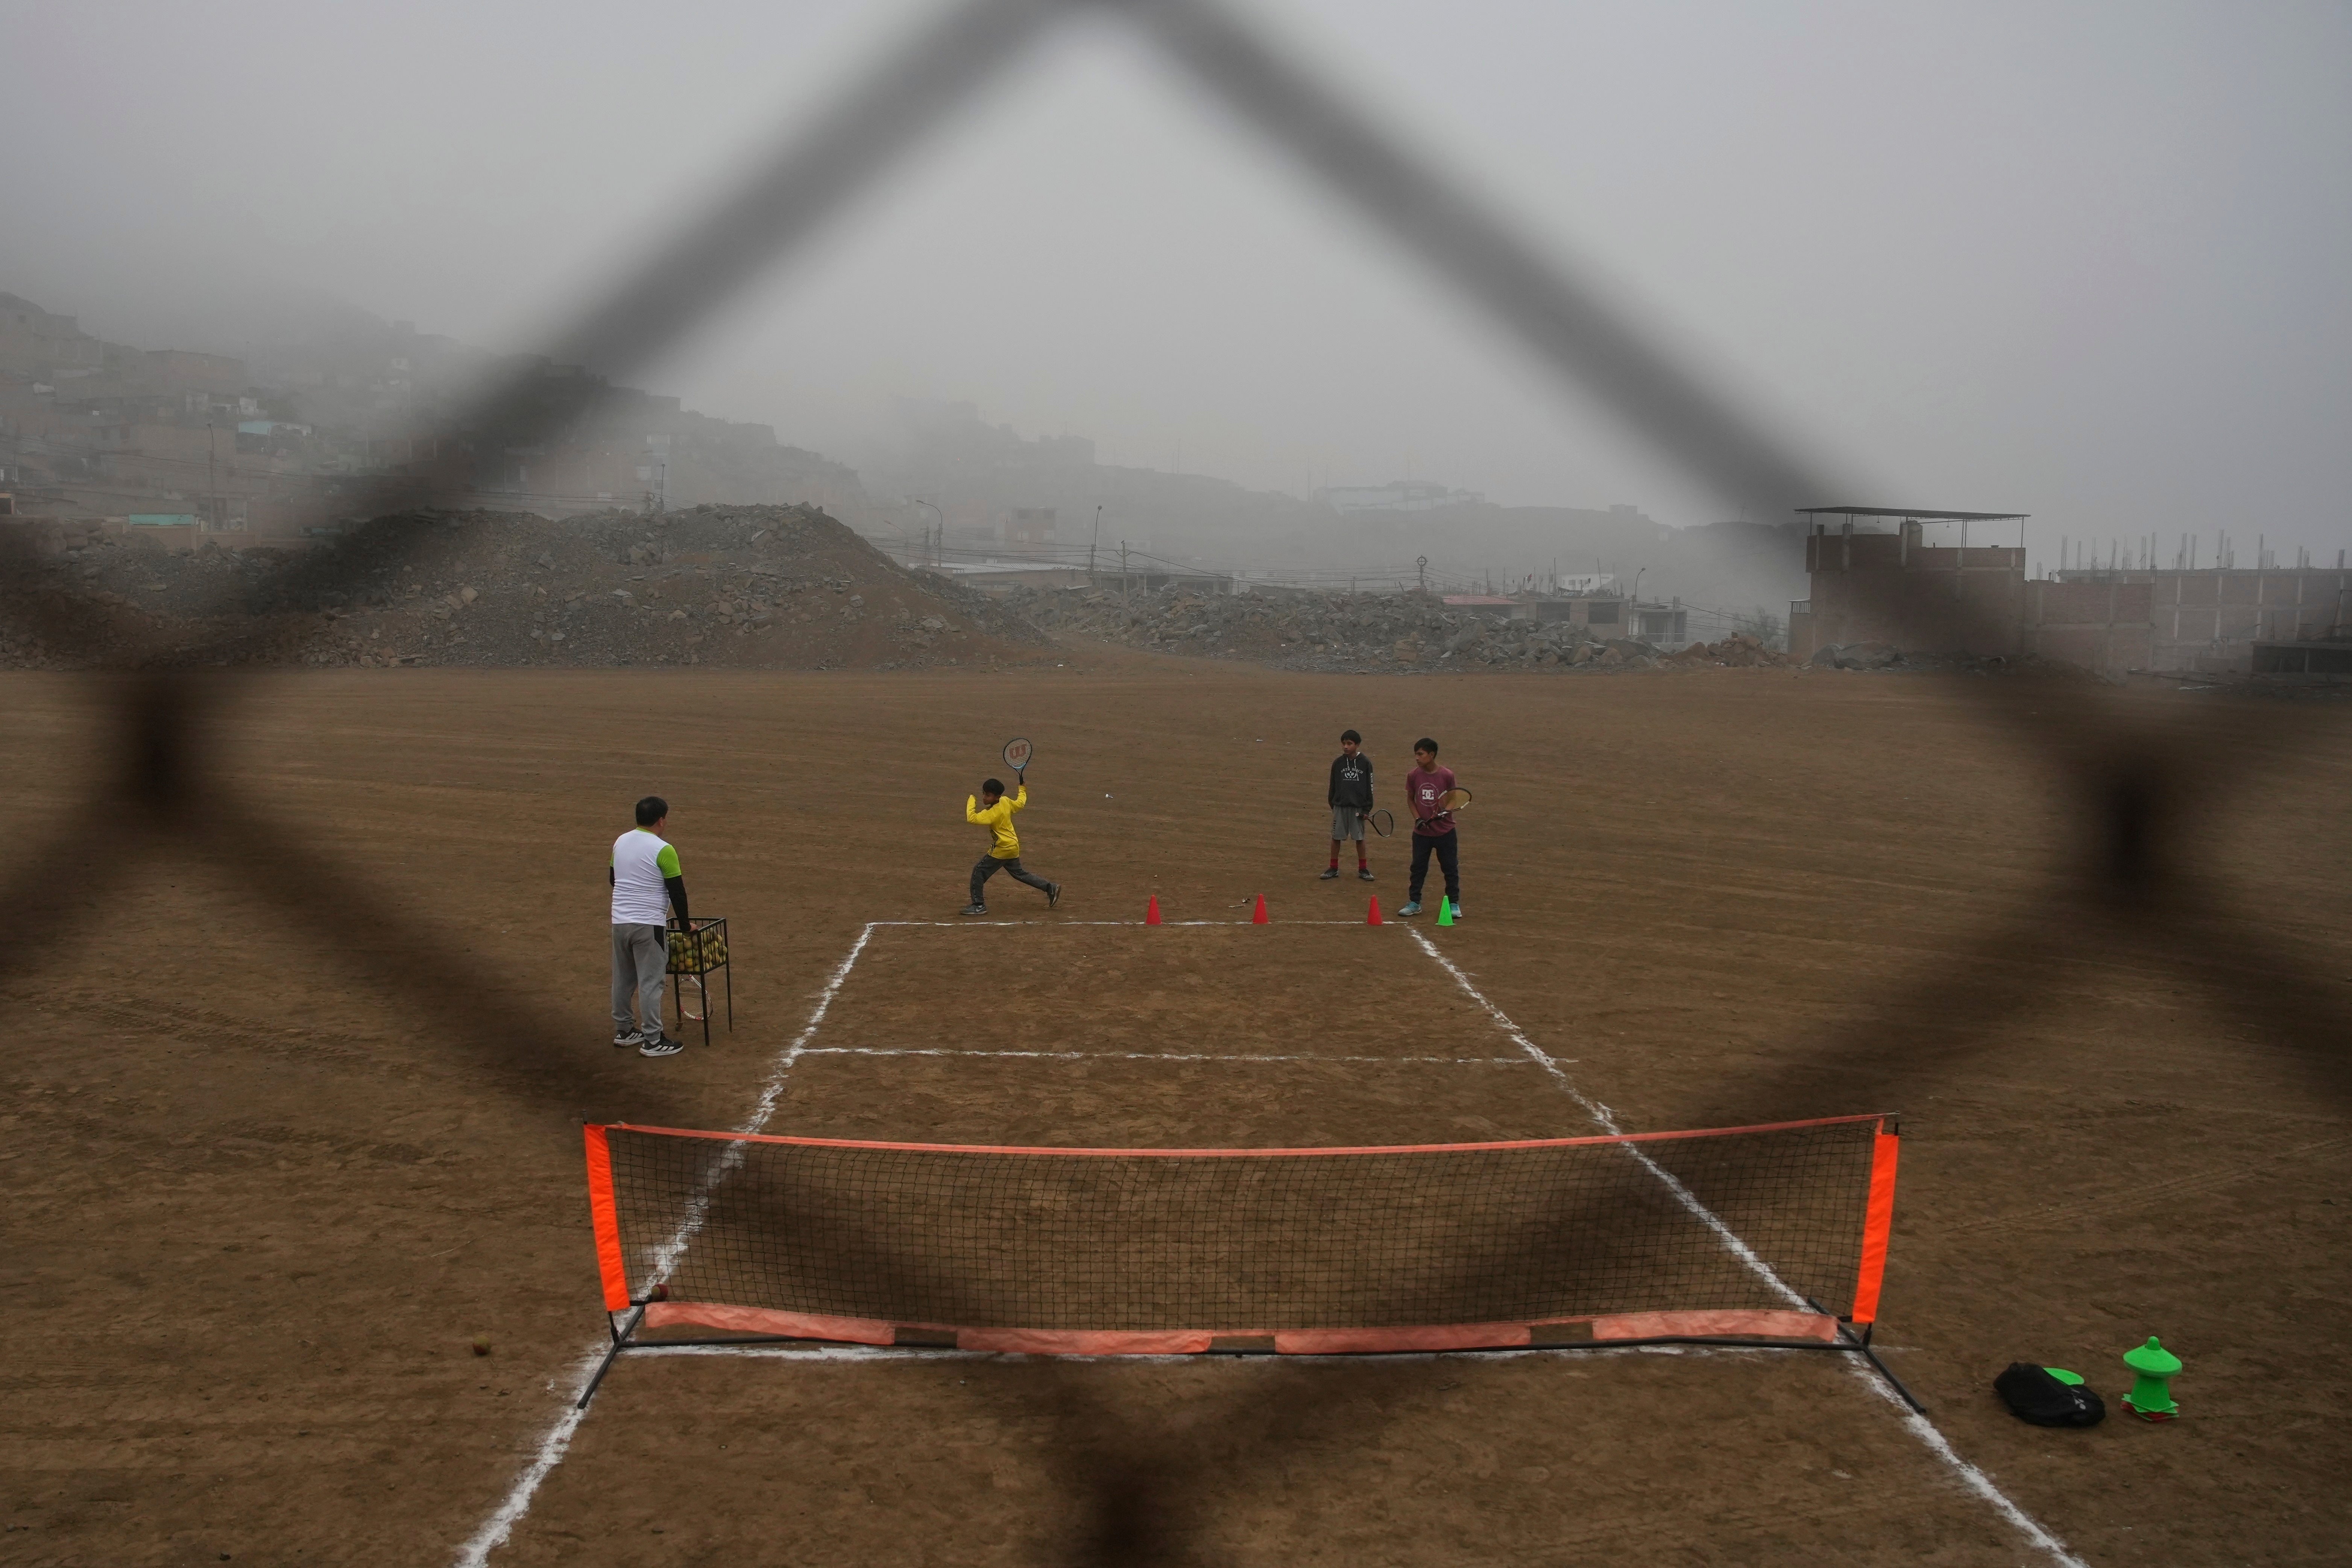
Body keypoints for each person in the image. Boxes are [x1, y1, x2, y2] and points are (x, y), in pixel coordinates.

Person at [610, 795, 689, 1058]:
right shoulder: (663, 849)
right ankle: (653, 1040)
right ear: (661, 820)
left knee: (623, 978)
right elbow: (677, 891)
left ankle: (624, 1030)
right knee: (650, 983)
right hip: (648, 925)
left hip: (620, 922)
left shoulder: (621, 841)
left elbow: (614, 878)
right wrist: (686, 925)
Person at [961, 776, 1060, 917]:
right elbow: (1020, 804)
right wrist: (1022, 789)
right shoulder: (1006, 801)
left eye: (988, 795)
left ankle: (978, 905)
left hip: (1003, 848)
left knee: (979, 871)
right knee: (1020, 874)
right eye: (983, 793)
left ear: (997, 798)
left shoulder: (993, 813)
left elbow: (972, 818)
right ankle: (1050, 888)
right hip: (1013, 846)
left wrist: (972, 799)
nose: (984, 798)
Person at [1398, 738, 1463, 919]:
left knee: (1450, 868)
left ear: (1432, 755)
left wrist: (1443, 813)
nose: (1417, 758)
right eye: (1416, 754)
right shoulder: (1413, 776)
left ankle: (1453, 903)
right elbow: (1411, 799)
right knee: (1418, 868)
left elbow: (1452, 799)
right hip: (1422, 834)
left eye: (1421, 754)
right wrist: (1418, 818)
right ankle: (1414, 903)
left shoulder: (1447, 775)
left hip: (1446, 832)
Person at [1323, 728, 1376, 881]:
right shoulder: (1338, 763)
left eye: (1349, 744)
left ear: (1357, 745)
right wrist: (1333, 803)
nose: (1346, 747)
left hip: (1358, 808)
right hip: (1340, 807)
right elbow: (1332, 785)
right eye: (1344, 744)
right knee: (1336, 837)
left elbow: (1369, 787)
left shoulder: (1365, 763)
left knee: (1359, 839)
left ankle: (1363, 869)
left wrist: (1367, 808)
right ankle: (1333, 868)